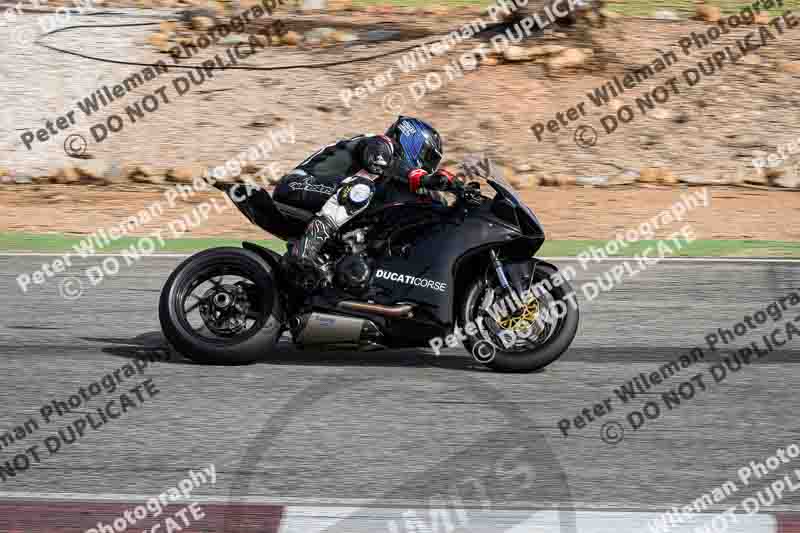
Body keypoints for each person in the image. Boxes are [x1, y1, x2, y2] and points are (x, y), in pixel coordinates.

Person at [274, 116, 457, 284]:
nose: (429, 167)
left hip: (329, 198)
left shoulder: (393, 179)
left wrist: (454, 195)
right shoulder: (381, 144)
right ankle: (306, 249)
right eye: (428, 157)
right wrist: (422, 178)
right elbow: (386, 163)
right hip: (298, 184)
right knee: (361, 188)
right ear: (413, 141)